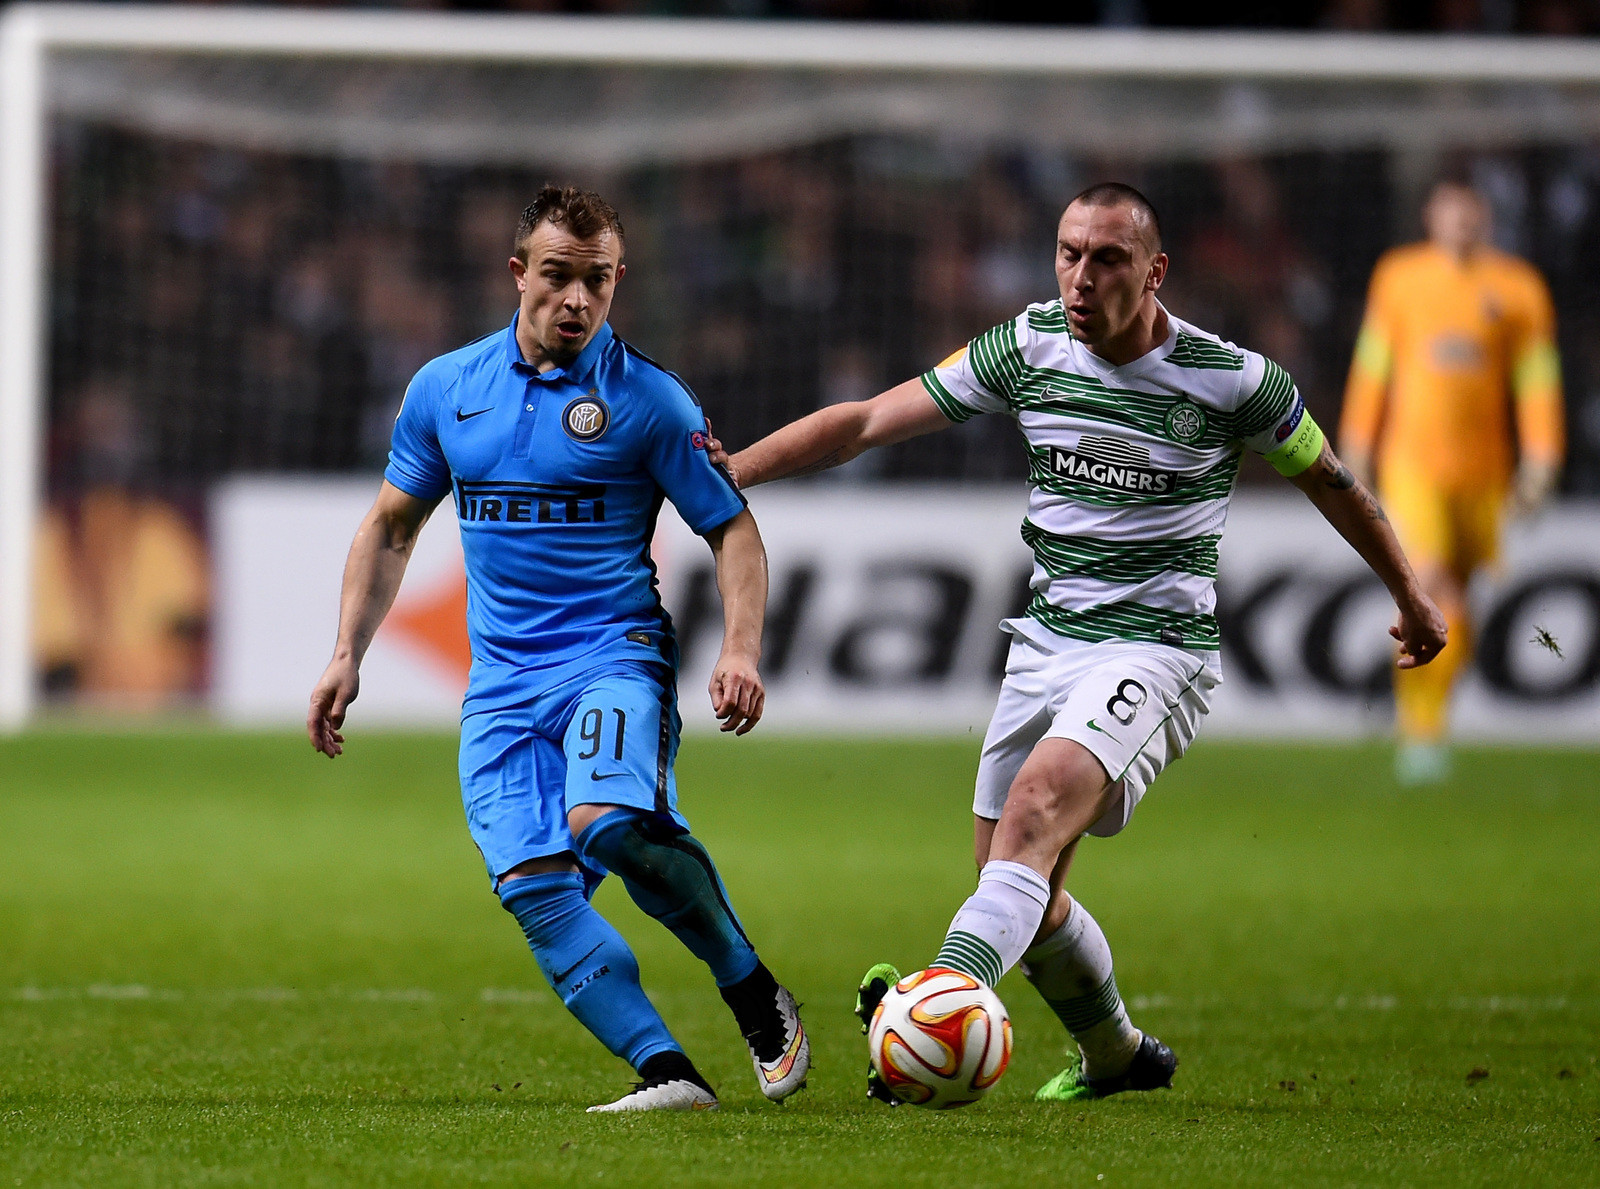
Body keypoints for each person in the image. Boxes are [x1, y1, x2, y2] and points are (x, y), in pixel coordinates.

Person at [715, 182, 1447, 1104]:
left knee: (1031, 813)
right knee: (1017, 882)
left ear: (1155, 270)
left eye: (1107, 258)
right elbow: (863, 423)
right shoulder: (1028, 348)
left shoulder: (1233, 381)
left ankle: (935, 1002)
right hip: (1046, 642)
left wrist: (1410, 593)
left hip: (1157, 648)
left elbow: (1333, 482)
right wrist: (732, 473)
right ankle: (1117, 1054)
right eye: (1068, 253)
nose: (1081, 277)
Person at [307, 185, 809, 1113]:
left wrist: (741, 648)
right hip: (500, 685)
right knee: (536, 889)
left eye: (597, 280)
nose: (576, 299)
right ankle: (668, 1072)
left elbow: (731, 528)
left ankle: (749, 987)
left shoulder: (651, 399)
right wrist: (347, 650)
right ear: (518, 273)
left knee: (607, 824)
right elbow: (390, 526)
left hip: (613, 656)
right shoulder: (447, 389)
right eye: (557, 276)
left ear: (618, 281)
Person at [1340, 176, 1565, 784]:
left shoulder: (1519, 288)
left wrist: (1542, 456)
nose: (1460, 222)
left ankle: (1428, 715)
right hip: (1413, 465)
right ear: (1431, 217)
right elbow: (1374, 363)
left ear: (1484, 217)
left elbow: (1536, 379)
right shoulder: (1399, 278)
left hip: (1484, 472)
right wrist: (1356, 441)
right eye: (1449, 211)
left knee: (1459, 603)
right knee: (1431, 582)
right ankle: (1421, 732)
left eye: (1470, 212)